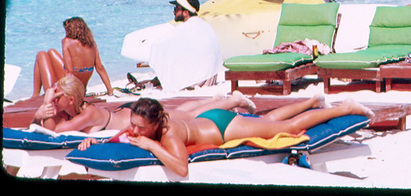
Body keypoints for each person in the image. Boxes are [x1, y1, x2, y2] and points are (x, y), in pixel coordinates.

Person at [78, 95, 374, 177]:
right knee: (267, 120)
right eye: (134, 126)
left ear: (155, 125)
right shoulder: (145, 125)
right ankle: (311, 101)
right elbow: (121, 135)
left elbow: (181, 168)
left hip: (224, 128)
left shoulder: (167, 135)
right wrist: (97, 141)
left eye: (142, 128)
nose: (135, 131)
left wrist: (148, 145)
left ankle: (343, 106)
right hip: (207, 120)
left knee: (286, 129)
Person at [31, 75, 255, 134]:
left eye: (57, 96)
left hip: (133, 115)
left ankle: (234, 100)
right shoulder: (75, 110)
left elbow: (54, 131)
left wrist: (45, 103)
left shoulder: (86, 114)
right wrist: (41, 112)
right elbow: (44, 127)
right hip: (128, 111)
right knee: (178, 111)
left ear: (71, 100)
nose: (54, 98)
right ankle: (217, 99)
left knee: (189, 118)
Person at [147, 0, 223, 92]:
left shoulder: (187, 28)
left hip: (200, 79)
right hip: (210, 76)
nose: (173, 11)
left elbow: (157, 45)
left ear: (186, 12)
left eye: (176, 9)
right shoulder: (203, 25)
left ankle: (153, 83)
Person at [32, 17, 113, 98]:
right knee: (51, 51)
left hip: (69, 90)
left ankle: (36, 95)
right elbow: (100, 68)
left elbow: (69, 71)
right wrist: (110, 90)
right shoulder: (92, 43)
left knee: (41, 54)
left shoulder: (66, 41)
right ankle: (38, 94)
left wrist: (60, 90)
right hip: (81, 91)